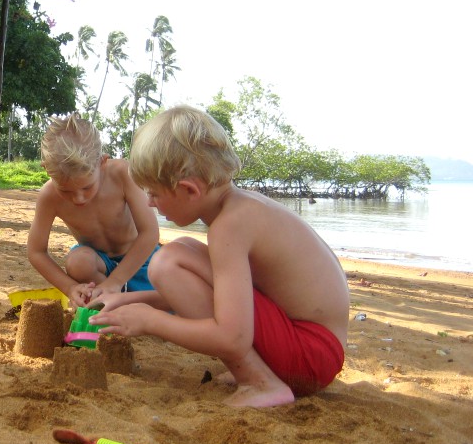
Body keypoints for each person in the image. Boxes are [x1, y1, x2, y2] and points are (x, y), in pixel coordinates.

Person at [90, 105, 349, 407]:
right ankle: (259, 374)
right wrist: (128, 300)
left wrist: (150, 321)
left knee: (169, 261)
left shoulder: (230, 226)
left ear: (189, 189)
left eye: (155, 194)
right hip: (314, 346)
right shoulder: (241, 209)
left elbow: (231, 337)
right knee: (181, 252)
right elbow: (218, 296)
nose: (149, 203)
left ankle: (260, 382)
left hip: (309, 356)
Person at [27, 114, 160, 308]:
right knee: (79, 261)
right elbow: (36, 251)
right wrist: (71, 287)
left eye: (87, 187)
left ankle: (121, 295)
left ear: (102, 162)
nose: (78, 198)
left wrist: (115, 281)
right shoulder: (49, 196)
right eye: (66, 191)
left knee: (171, 296)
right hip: (98, 266)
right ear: (47, 170)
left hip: (140, 260)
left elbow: (150, 233)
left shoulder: (122, 174)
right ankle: (108, 299)